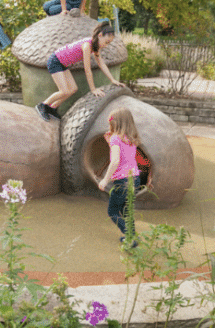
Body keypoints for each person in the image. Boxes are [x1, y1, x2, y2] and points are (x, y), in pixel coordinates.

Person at [36, 21, 123, 121]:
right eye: (106, 42)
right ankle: (43, 105)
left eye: (109, 43)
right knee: (64, 91)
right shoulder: (87, 46)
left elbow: (101, 64)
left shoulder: (95, 48)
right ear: (100, 35)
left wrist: (112, 80)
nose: (106, 45)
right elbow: (87, 69)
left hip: (63, 64)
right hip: (55, 61)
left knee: (72, 89)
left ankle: (52, 108)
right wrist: (93, 89)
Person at [98, 108, 142, 246]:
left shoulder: (116, 139)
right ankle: (133, 236)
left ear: (115, 123)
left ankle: (130, 237)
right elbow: (125, 156)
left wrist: (105, 180)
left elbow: (116, 160)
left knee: (113, 212)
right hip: (135, 178)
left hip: (122, 181)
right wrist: (110, 141)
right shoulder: (131, 137)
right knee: (126, 210)